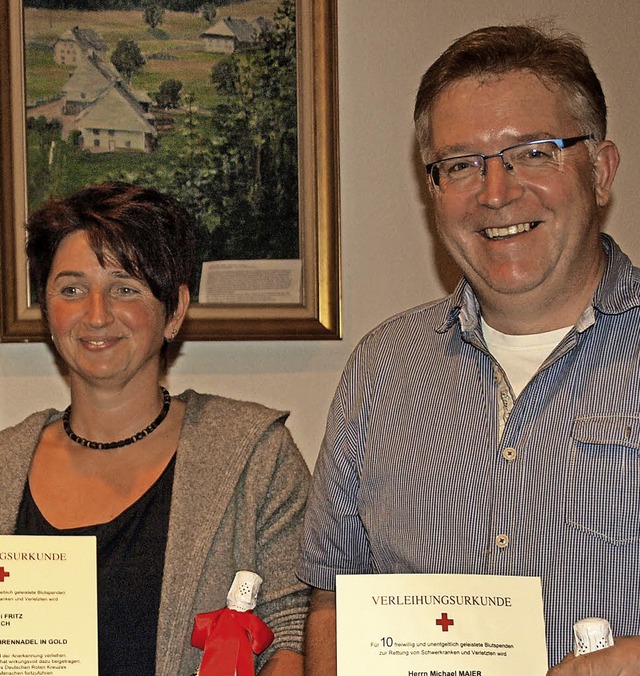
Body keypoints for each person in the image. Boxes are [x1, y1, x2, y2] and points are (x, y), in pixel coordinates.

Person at [299, 24, 640, 675]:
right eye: (460, 165)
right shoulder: (382, 368)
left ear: (600, 171)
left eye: (533, 153)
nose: (495, 192)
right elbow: (334, 598)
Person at [0, 182, 310, 675]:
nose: (96, 315)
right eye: (72, 289)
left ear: (175, 310)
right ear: (46, 309)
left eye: (125, 288)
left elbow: (291, 633)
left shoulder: (254, 455)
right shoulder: (4, 464)